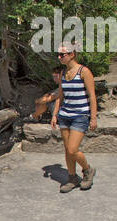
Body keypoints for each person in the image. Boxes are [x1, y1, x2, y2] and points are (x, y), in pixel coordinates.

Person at [36, 43, 98, 191]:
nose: (59, 57)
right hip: (65, 115)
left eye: (62, 55)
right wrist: (55, 115)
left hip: (80, 115)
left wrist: (93, 117)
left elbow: (92, 96)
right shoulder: (63, 73)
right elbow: (60, 96)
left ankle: (88, 170)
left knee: (72, 149)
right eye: (58, 54)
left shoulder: (84, 72)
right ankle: (72, 178)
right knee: (67, 149)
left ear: (72, 55)